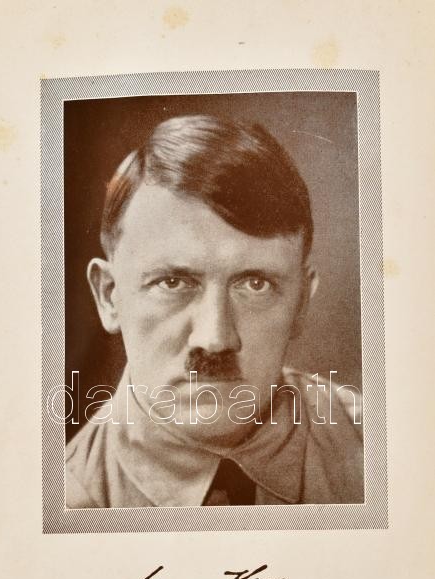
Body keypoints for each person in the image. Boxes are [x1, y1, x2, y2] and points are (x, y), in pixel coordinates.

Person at [66, 114, 363, 507]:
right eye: (173, 283)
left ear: (301, 303)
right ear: (109, 296)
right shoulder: (65, 505)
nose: (215, 339)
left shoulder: (383, 451)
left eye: (255, 284)